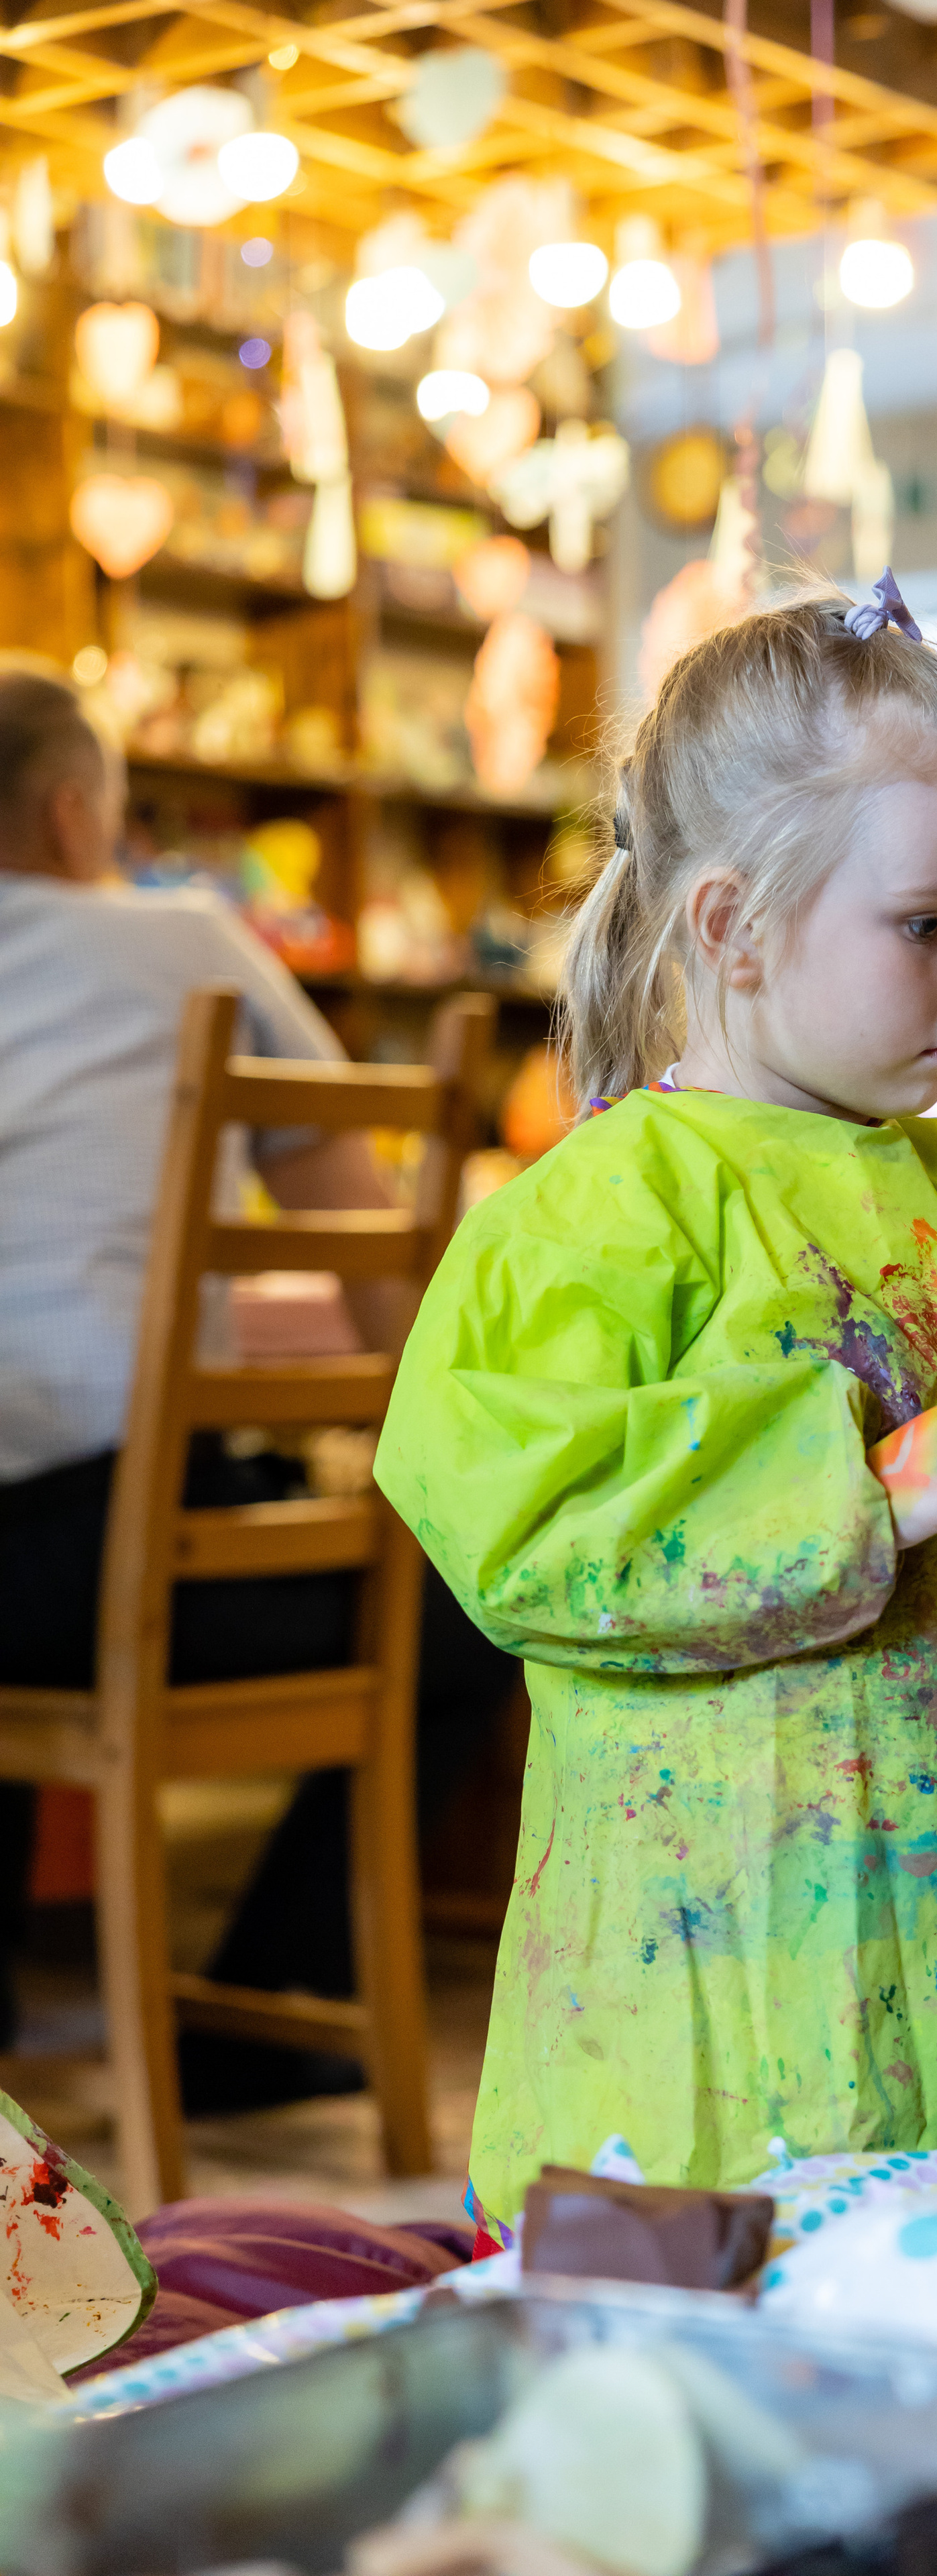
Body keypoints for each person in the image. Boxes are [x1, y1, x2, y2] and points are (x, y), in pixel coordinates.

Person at [376, 582, 937, 2234]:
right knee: (711, 2356)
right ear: (730, 925)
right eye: (927, 923)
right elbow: (516, 1525)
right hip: (705, 1982)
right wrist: (850, 1489)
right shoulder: (592, 1216)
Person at [0, 661, 514, 2101]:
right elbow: (372, 1270)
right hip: (128, 1529)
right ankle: (263, 2008)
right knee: (465, 1622)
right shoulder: (187, 942)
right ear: (68, 812)